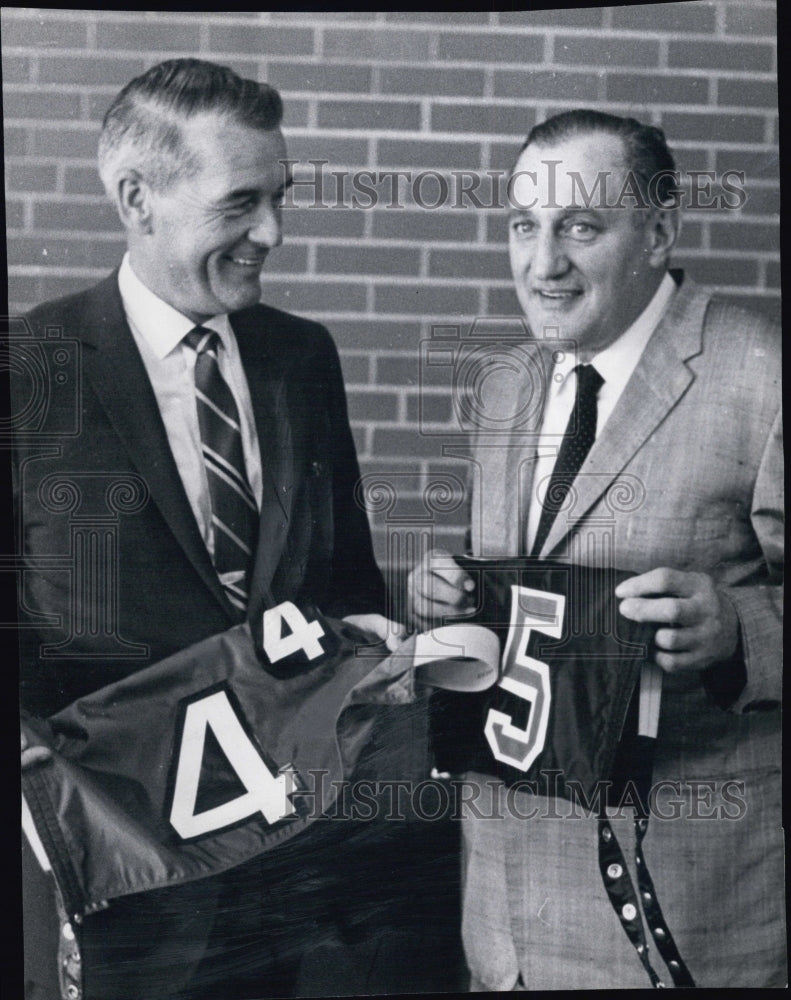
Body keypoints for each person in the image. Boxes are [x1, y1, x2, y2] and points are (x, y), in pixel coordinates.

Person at [14, 58, 422, 1000]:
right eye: (240, 203)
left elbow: (348, 587)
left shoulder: (301, 357)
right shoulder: (29, 367)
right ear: (136, 197)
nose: (271, 233)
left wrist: (375, 646)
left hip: (304, 861)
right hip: (123, 879)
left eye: (278, 199)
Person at [409, 109, 784, 989]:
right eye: (523, 227)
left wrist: (736, 631)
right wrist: (450, 599)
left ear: (658, 231)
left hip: (687, 908)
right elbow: (516, 599)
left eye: (580, 226)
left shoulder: (760, 373)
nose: (544, 265)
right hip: (504, 913)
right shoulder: (506, 384)